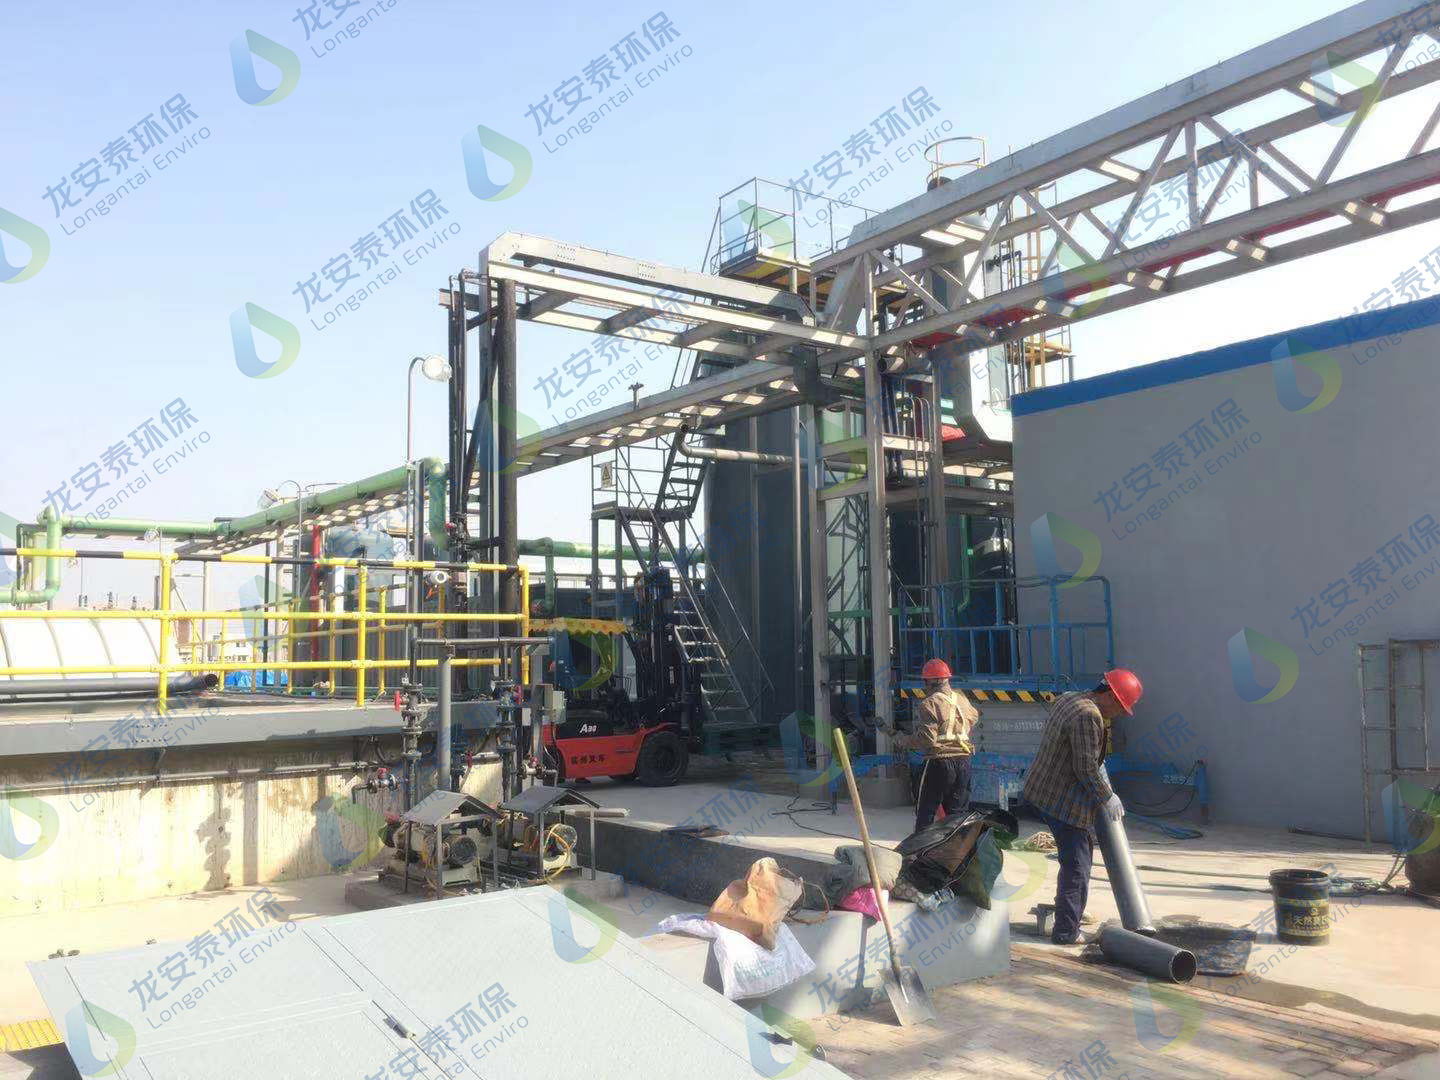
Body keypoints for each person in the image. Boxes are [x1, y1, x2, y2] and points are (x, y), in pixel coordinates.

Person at [1021, 668, 1143, 945]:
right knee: (1077, 865)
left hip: (1042, 790)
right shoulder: (1089, 716)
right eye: (1121, 707)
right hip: (1063, 801)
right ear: (1110, 695)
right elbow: (1085, 767)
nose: (1120, 714)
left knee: (1076, 857)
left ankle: (1069, 914)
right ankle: (1067, 931)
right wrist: (1107, 796)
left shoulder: (1069, 698)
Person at [886, 658, 978, 832]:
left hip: (940, 762)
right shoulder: (961, 699)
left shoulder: (929, 703)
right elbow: (974, 717)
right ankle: (955, 847)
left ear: (930, 682)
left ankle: (921, 847)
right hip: (964, 761)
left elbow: (927, 739)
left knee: (926, 812)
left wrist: (903, 740)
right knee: (957, 816)